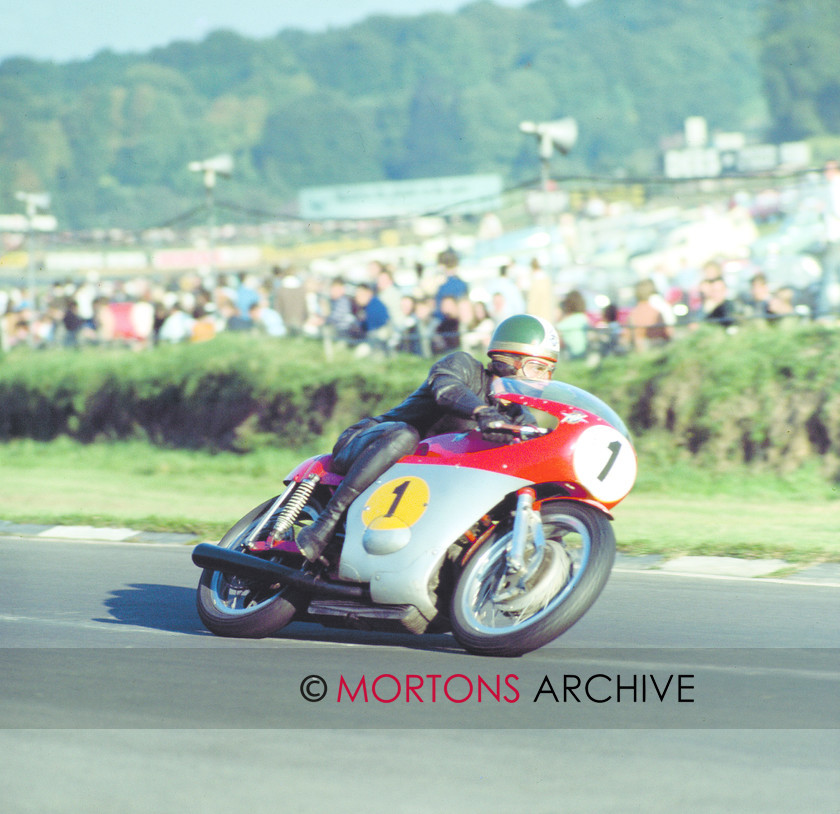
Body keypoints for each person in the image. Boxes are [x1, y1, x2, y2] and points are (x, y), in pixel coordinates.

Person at [294, 314, 561, 563]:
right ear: (507, 358)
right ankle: (326, 523)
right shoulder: (463, 366)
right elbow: (446, 389)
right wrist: (481, 412)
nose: (543, 379)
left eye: (549, 371)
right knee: (405, 435)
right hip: (370, 443)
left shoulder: (519, 416)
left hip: (425, 484)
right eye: (537, 367)